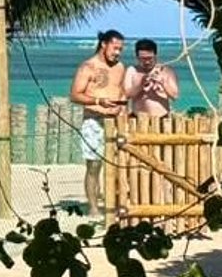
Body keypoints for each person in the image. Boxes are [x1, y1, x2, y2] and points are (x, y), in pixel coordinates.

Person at [70, 29, 126, 221]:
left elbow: (121, 90)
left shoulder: (120, 67)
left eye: (120, 49)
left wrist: (122, 107)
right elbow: (75, 95)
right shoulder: (88, 66)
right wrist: (98, 101)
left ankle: (114, 203)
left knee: (117, 164)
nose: (117, 53)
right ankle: (93, 207)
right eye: (115, 48)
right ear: (104, 44)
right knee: (94, 165)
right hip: (94, 120)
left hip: (115, 121)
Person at [125, 38, 179, 116]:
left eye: (150, 58)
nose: (147, 62)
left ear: (155, 56)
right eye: (143, 59)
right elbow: (126, 95)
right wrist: (140, 85)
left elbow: (175, 96)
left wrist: (163, 83)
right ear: (137, 57)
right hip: (138, 117)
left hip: (162, 117)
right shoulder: (132, 70)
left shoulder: (166, 71)